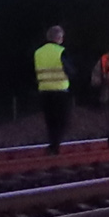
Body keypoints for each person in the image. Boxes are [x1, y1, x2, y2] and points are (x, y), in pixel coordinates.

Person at [31, 24, 74, 153]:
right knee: (62, 121)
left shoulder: (38, 52)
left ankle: (52, 144)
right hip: (60, 91)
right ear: (59, 38)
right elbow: (70, 70)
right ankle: (54, 145)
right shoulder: (61, 51)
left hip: (44, 90)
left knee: (50, 120)